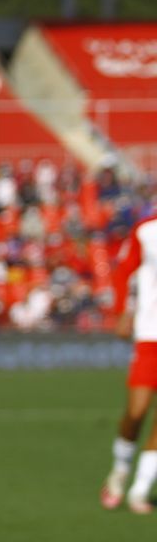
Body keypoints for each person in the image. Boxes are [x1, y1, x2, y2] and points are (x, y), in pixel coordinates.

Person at [101, 207, 157, 513]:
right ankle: (120, 468)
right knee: (136, 412)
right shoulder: (146, 230)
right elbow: (125, 271)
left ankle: (141, 489)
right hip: (151, 333)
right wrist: (124, 310)